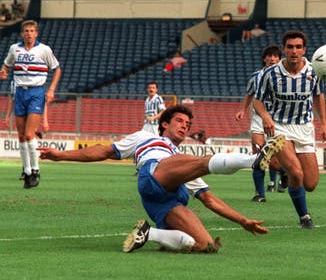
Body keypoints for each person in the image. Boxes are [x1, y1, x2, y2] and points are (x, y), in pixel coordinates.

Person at [38, 104, 287, 253]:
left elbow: (210, 200)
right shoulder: (145, 138)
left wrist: (243, 221)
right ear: (164, 124)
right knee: (203, 161)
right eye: (179, 121)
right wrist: (62, 155)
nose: (184, 126)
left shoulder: (183, 161)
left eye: (187, 124)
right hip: (153, 174)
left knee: (204, 246)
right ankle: (252, 160)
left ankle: (150, 234)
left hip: (165, 203)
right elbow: (104, 150)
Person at [253, 30, 326, 229]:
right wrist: (266, 116)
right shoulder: (270, 74)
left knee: (310, 183)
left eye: (298, 47)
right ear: (284, 49)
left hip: (304, 127)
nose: (294, 51)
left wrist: (324, 125)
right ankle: (304, 217)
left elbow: (319, 96)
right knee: (296, 173)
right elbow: (257, 100)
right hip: (279, 127)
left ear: (304, 50)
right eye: (290, 47)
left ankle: (286, 174)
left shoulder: (315, 72)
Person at [0, 20, 61, 189]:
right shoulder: (15, 49)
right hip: (20, 92)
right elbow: (6, 65)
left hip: (36, 92)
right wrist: (3, 72)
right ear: (22, 33)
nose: (28, 33)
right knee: (20, 135)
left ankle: (35, 170)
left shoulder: (44, 50)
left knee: (28, 134)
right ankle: (26, 171)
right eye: (26, 30)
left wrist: (51, 90)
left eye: (32, 31)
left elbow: (57, 68)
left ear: (36, 33)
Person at [235, 44, 288, 202]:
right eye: (269, 56)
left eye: (275, 56)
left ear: (279, 58)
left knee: (275, 157)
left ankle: (284, 172)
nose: (272, 59)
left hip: (277, 120)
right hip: (258, 119)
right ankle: (260, 194)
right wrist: (242, 110)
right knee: (259, 155)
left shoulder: (285, 77)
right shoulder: (256, 76)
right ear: (264, 58)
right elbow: (249, 94)